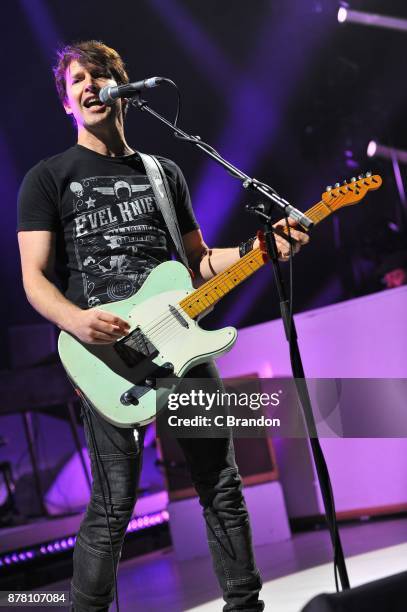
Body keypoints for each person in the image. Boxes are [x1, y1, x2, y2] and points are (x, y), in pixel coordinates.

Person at [17, 40, 309, 612]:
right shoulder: (48, 178)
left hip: (182, 343)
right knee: (114, 502)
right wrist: (77, 321)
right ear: (67, 104)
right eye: (78, 80)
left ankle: (244, 605)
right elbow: (34, 280)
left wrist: (261, 248)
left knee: (220, 483)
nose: (90, 85)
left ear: (123, 87)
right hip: (106, 357)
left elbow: (197, 262)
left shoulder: (163, 172)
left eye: (100, 74)